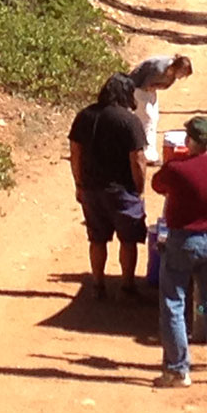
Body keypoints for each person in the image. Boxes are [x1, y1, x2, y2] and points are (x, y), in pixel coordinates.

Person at [149, 116, 207, 388]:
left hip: (183, 239)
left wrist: (178, 159)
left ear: (191, 141)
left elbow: (158, 184)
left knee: (174, 303)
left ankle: (178, 369)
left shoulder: (178, 168)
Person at [68, 73, 148, 297]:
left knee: (97, 238)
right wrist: (139, 189)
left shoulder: (85, 116)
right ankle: (128, 285)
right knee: (129, 239)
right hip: (122, 190)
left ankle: (98, 283)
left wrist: (79, 183)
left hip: (92, 188)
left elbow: (75, 152)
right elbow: (138, 159)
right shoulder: (129, 121)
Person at [127, 53, 193, 165]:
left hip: (149, 91)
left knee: (154, 118)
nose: (182, 77)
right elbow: (145, 85)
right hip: (138, 89)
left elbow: (163, 86)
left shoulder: (171, 73)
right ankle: (146, 153)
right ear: (178, 68)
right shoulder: (159, 69)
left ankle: (151, 153)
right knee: (147, 119)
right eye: (182, 73)